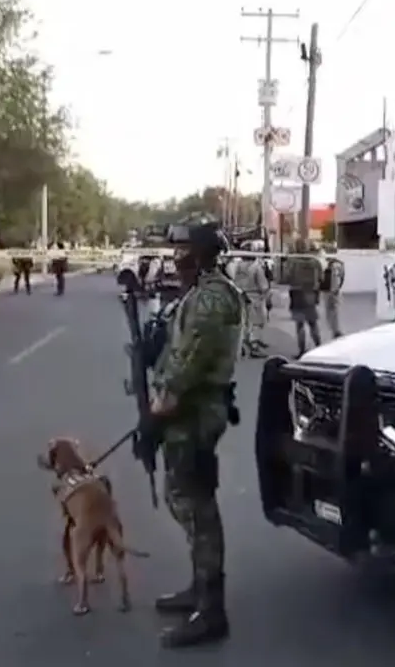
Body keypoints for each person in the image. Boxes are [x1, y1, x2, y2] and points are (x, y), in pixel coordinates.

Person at [149, 219, 242, 649]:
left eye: (183, 249)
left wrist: (161, 407)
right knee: (183, 498)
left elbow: (188, 363)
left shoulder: (210, 299)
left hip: (196, 414)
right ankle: (198, 588)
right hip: (188, 412)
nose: (176, 256)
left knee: (196, 505)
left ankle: (212, 610)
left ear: (201, 253)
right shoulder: (197, 293)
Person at [283, 238, 323, 358]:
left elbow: (286, 276)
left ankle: (302, 350)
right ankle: (319, 347)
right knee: (313, 323)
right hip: (311, 292)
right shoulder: (315, 261)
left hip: (297, 293)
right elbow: (321, 277)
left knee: (299, 325)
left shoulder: (293, 261)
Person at [230, 252, 269, 357]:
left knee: (244, 322)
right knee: (256, 322)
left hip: (241, 295)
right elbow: (263, 285)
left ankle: (242, 345)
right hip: (255, 296)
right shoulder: (256, 267)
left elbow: (234, 281)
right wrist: (266, 295)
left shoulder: (238, 267)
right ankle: (254, 346)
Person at [321, 245, 345, 339]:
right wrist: (339, 287)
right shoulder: (339, 263)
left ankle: (334, 329)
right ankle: (335, 329)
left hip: (328, 290)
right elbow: (342, 277)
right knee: (334, 310)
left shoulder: (325, 263)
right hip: (335, 290)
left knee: (329, 310)